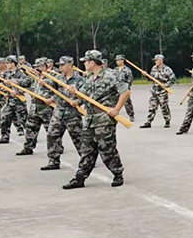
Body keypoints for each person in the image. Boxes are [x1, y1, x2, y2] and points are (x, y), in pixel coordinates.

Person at [63, 50, 130, 189]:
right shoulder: (88, 77)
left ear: (92, 62)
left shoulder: (110, 75)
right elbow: (85, 94)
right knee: (86, 149)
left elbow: (125, 91)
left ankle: (118, 173)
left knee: (106, 149)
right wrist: (77, 98)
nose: (84, 64)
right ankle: (80, 178)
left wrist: (116, 109)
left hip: (104, 119)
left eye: (86, 62)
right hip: (90, 118)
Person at [41, 56, 86, 171]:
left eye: (62, 65)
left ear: (70, 65)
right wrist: (43, 84)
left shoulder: (80, 80)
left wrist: (78, 101)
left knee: (79, 139)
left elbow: (86, 95)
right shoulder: (58, 78)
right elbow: (51, 88)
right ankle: (53, 161)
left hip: (73, 114)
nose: (60, 67)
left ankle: (86, 160)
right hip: (59, 112)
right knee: (52, 135)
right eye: (59, 65)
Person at [17, 58, 53, 156]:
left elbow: (60, 91)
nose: (39, 68)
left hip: (46, 108)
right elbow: (23, 83)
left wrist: (52, 99)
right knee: (30, 128)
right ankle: (28, 147)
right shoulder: (33, 77)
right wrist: (14, 82)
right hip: (34, 108)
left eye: (41, 66)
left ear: (46, 67)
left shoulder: (52, 78)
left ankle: (55, 149)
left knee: (51, 132)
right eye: (37, 67)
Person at [140, 54, 175, 128]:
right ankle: (148, 122)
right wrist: (145, 75)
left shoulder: (167, 69)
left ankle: (167, 121)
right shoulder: (154, 68)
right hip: (154, 91)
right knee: (152, 107)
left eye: (156, 60)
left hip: (162, 92)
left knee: (164, 107)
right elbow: (151, 79)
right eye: (155, 60)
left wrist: (166, 85)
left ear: (161, 60)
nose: (155, 62)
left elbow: (173, 80)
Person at [114, 55, 135, 122]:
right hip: (116, 89)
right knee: (114, 102)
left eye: (119, 60)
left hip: (124, 89)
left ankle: (131, 115)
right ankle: (115, 114)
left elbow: (130, 80)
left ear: (122, 60)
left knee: (127, 103)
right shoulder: (115, 70)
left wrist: (127, 88)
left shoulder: (127, 70)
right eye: (116, 60)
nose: (117, 62)